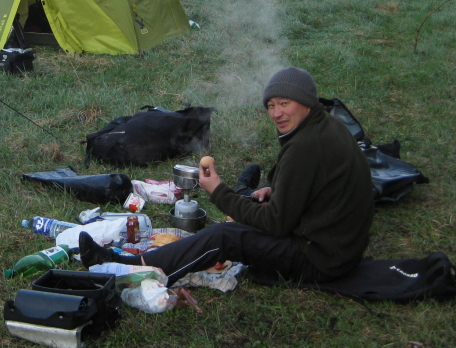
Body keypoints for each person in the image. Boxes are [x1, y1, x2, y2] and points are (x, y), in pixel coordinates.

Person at [79, 66, 375, 286]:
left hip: (321, 260)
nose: (276, 113)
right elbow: (320, 183)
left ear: (306, 102)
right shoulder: (326, 126)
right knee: (250, 207)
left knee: (224, 236)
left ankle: (131, 266)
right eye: (271, 106)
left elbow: (275, 223)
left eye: (285, 103)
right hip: (338, 246)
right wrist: (277, 189)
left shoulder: (306, 146)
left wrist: (218, 191)